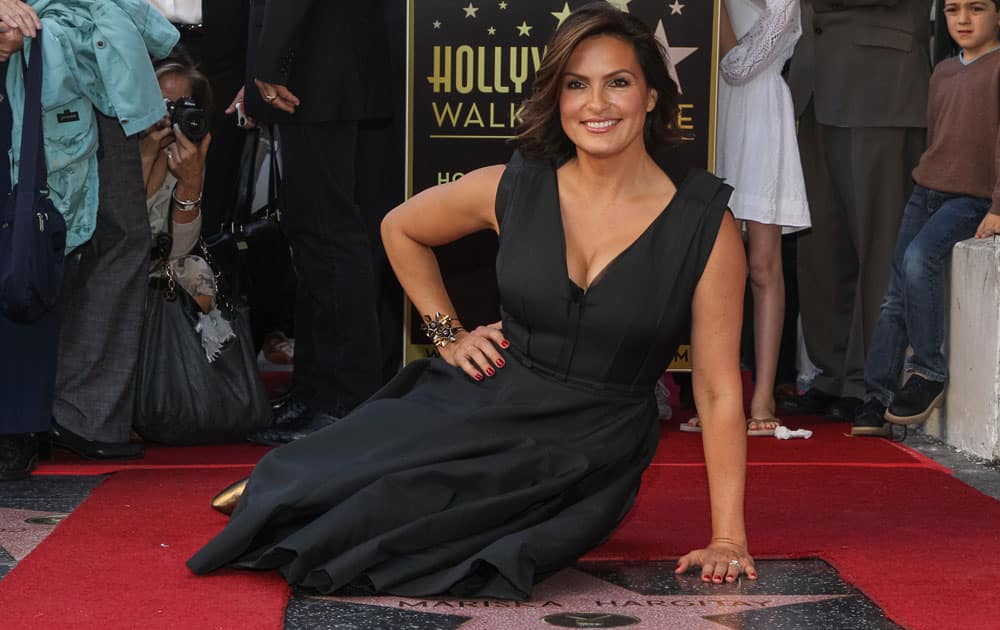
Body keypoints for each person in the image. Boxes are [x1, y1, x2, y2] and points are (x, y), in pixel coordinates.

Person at [187, 4, 756, 597]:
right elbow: (399, 229)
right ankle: (289, 486)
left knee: (410, 519)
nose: (597, 104)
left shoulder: (703, 224)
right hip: (496, 393)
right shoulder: (515, 185)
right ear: (556, 99)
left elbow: (716, 390)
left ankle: (304, 498)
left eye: (618, 83)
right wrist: (447, 334)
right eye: (576, 85)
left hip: (590, 443)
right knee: (345, 468)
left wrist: (729, 538)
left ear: (651, 98)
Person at [241, 0, 394, 444]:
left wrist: (271, 65)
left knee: (329, 237)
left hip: (315, 74)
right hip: (328, 71)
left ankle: (341, 401)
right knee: (320, 236)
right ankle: (318, 392)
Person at [852, 0, 1000, 436]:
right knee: (892, 295)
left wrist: (997, 206)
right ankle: (876, 399)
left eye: (977, 8)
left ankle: (928, 372)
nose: (963, 20)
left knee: (920, 260)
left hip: (970, 199)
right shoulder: (942, 72)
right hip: (925, 192)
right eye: (953, 10)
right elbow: (939, 138)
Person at [782, 0, 932, 421]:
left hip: (879, 85)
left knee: (878, 241)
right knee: (821, 247)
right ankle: (831, 374)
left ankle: (870, 379)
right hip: (816, 85)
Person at [684, 0, 809, 437]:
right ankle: (717, 395)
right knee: (714, 265)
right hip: (711, 114)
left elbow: (738, 66)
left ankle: (763, 396)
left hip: (759, 117)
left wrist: (711, 14)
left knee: (762, 264)